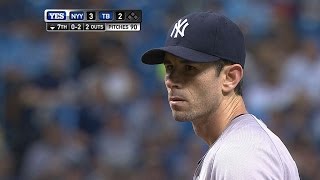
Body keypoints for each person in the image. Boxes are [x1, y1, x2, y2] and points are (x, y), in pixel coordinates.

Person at [141, 11, 300, 180]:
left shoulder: (240, 154)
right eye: (169, 68)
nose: (172, 81)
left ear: (230, 78)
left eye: (189, 68)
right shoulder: (235, 146)